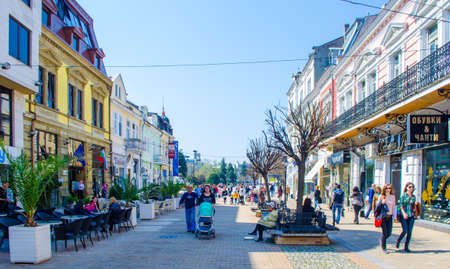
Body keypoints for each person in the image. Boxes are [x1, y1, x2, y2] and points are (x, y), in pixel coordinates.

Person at [396, 182, 417, 253]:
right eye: (410, 187)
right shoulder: (403, 195)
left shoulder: (414, 196)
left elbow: (413, 206)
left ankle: (406, 247)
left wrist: (415, 212)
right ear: (406, 188)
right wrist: (404, 213)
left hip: (411, 216)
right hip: (403, 216)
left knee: (409, 232)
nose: (411, 188)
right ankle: (398, 240)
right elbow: (400, 206)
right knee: (405, 230)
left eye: (412, 187)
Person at [377, 184, 396, 253]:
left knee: (389, 233)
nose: (388, 189)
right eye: (387, 188)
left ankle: (382, 240)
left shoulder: (393, 197)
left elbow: (393, 207)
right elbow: (377, 207)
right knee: (385, 233)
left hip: (390, 216)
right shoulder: (382, 196)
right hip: (383, 217)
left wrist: (395, 216)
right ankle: (384, 247)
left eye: (389, 188)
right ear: (384, 189)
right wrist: (381, 203)